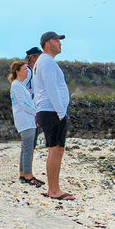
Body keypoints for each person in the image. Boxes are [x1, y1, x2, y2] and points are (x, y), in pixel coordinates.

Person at [32, 30, 74, 200]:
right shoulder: (47, 62)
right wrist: (61, 112)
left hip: (48, 110)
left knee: (56, 149)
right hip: (53, 111)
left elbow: (38, 90)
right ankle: (54, 190)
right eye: (57, 40)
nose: (60, 43)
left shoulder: (42, 62)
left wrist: (38, 111)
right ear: (48, 43)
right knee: (56, 149)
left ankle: (53, 189)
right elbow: (50, 88)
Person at [8, 61, 44, 187]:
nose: (27, 71)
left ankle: (23, 174)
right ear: (17, 72)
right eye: (24, 69)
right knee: (28, 148)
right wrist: (37, 114)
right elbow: (24, 104)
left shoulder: (20, 85)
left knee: (25, 148)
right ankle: (29, 176)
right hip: (25, 121)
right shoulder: (16, 85)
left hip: (28, 120)